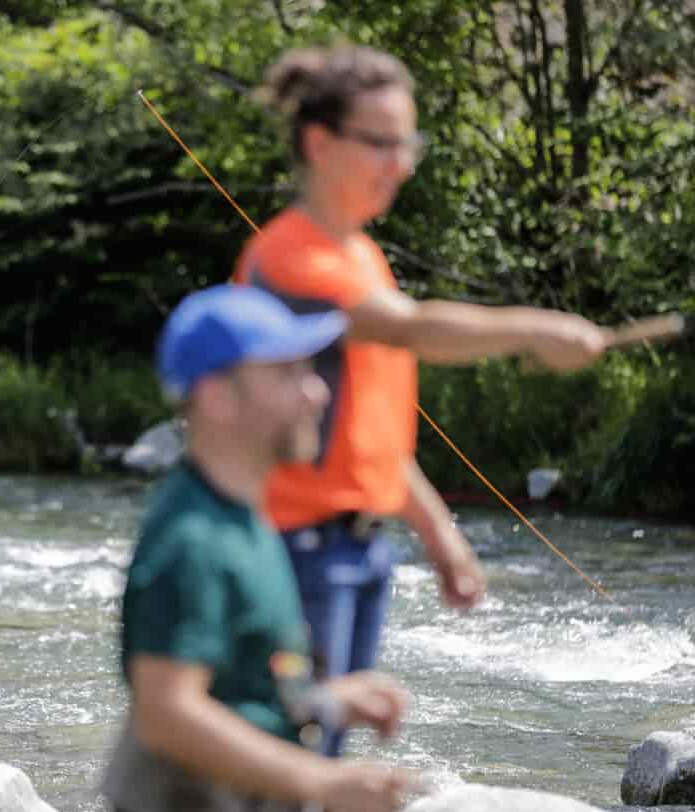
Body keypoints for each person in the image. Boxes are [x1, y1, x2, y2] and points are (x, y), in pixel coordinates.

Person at [232, 43, 608, 753]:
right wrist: (532, 328)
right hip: (293, 551)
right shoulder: (290, 258)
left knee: (319, 763)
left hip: (359, 551)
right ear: (319, 143)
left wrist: (438, 533)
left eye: (408, 144)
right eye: (381, 143)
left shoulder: (363, 256)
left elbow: (370, 437)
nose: (400, 163)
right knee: (292, 761)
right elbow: (410, 328)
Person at [102, 284, 417, 812]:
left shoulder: (248, 520)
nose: (318, 392)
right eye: (288, 373)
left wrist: (326, 700)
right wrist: (327, 781)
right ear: (219, 396)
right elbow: (166, 711)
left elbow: (242, 686)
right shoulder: (191, 537)